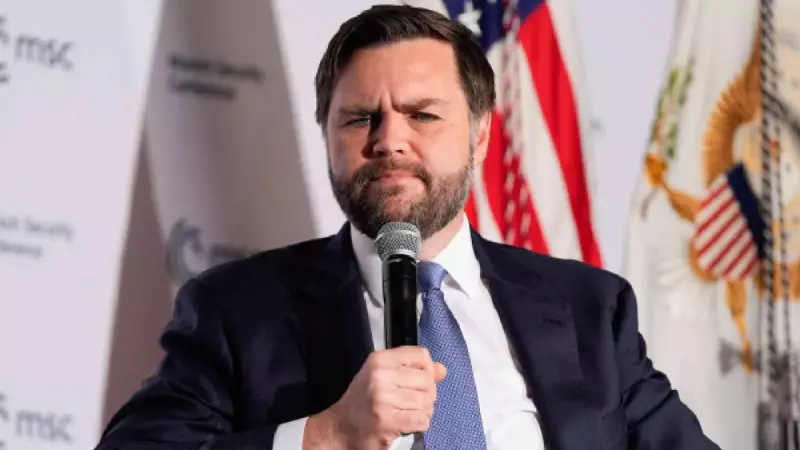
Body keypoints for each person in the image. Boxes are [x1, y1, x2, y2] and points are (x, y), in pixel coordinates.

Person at [95, 4, 720, 450]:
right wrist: (326, 435)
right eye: (359, 118)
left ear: (480, 134)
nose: (389, 140)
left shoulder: (590, 308)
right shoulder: (237, 310)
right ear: (326, 137)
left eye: (422, 115)